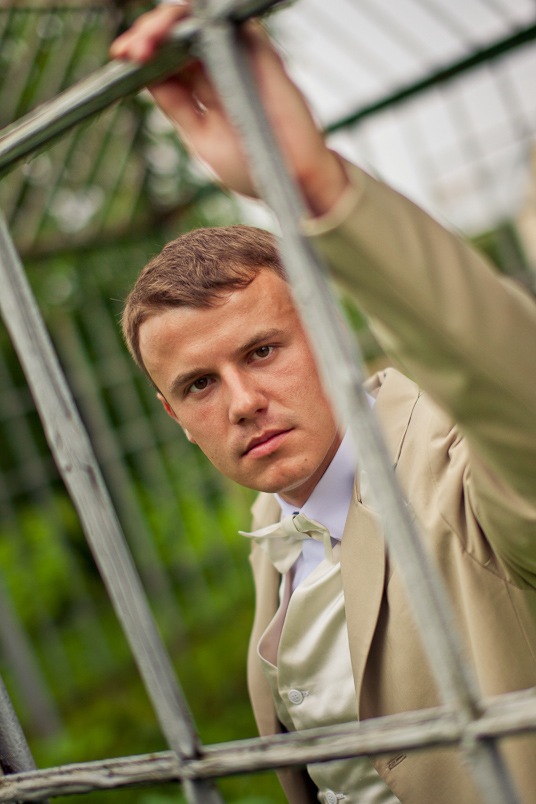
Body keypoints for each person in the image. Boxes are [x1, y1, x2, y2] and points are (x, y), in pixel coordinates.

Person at [111, 6, 536, 803]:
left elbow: (519, 401)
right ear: (173, 414)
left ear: (334, 337)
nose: (242, 403)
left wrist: (313, 187)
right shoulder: (275, 519)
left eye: (262, 351)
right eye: (199, 384)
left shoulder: (453, 465)